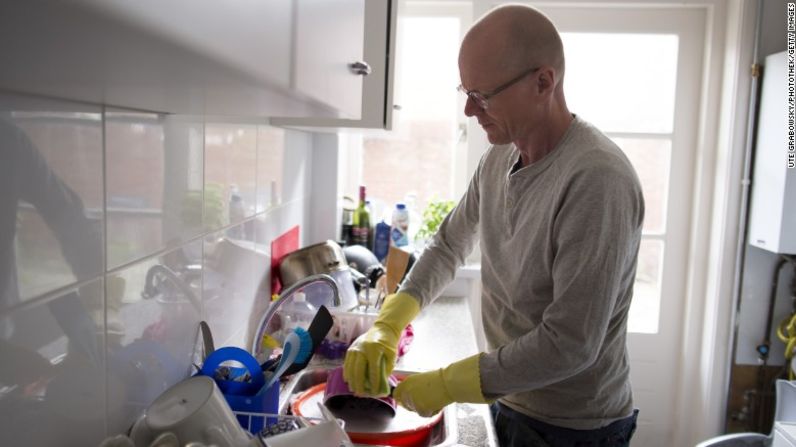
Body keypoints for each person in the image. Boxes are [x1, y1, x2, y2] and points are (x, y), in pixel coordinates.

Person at [343, 4, 645, 447]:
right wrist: (387, 324)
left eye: (483, 95)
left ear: (544, 82)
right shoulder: (499, 156)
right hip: (507, 394)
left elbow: (570, 343)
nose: (469, 110)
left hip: (572, 426)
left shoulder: (597, 180)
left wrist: (449, 383)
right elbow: (448, 246)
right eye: (465, 91)